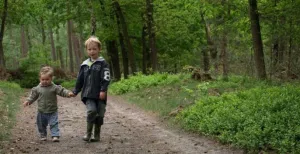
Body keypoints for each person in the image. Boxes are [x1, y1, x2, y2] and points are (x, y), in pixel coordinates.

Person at [73, 36, 110, 142]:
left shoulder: (103, 63)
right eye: (89, 49)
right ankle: (88, 134)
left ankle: (96, 135)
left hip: (100, 94)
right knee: (91, 111)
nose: (92, 51)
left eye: (94, 49)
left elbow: (106, 77)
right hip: (88, 94)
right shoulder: (84, 64)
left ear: (99, 49)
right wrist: (76, 90)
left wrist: (103, 90)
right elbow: (80, 79)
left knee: (100, 115)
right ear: (86, 50)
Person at [23, 66, 74, 142]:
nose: (45, 81)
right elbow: (33, 96)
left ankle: (55, 135)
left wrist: (68, 93)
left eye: (47, 79)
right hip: (41, 111)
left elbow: (62, 91)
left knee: (54, 123)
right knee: (41, 124)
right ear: (40, 79)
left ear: (51, 78)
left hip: (52, 110)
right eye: (43, 79)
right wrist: (28, 101)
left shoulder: (54, 87)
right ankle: (43, 134)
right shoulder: (37, 88)